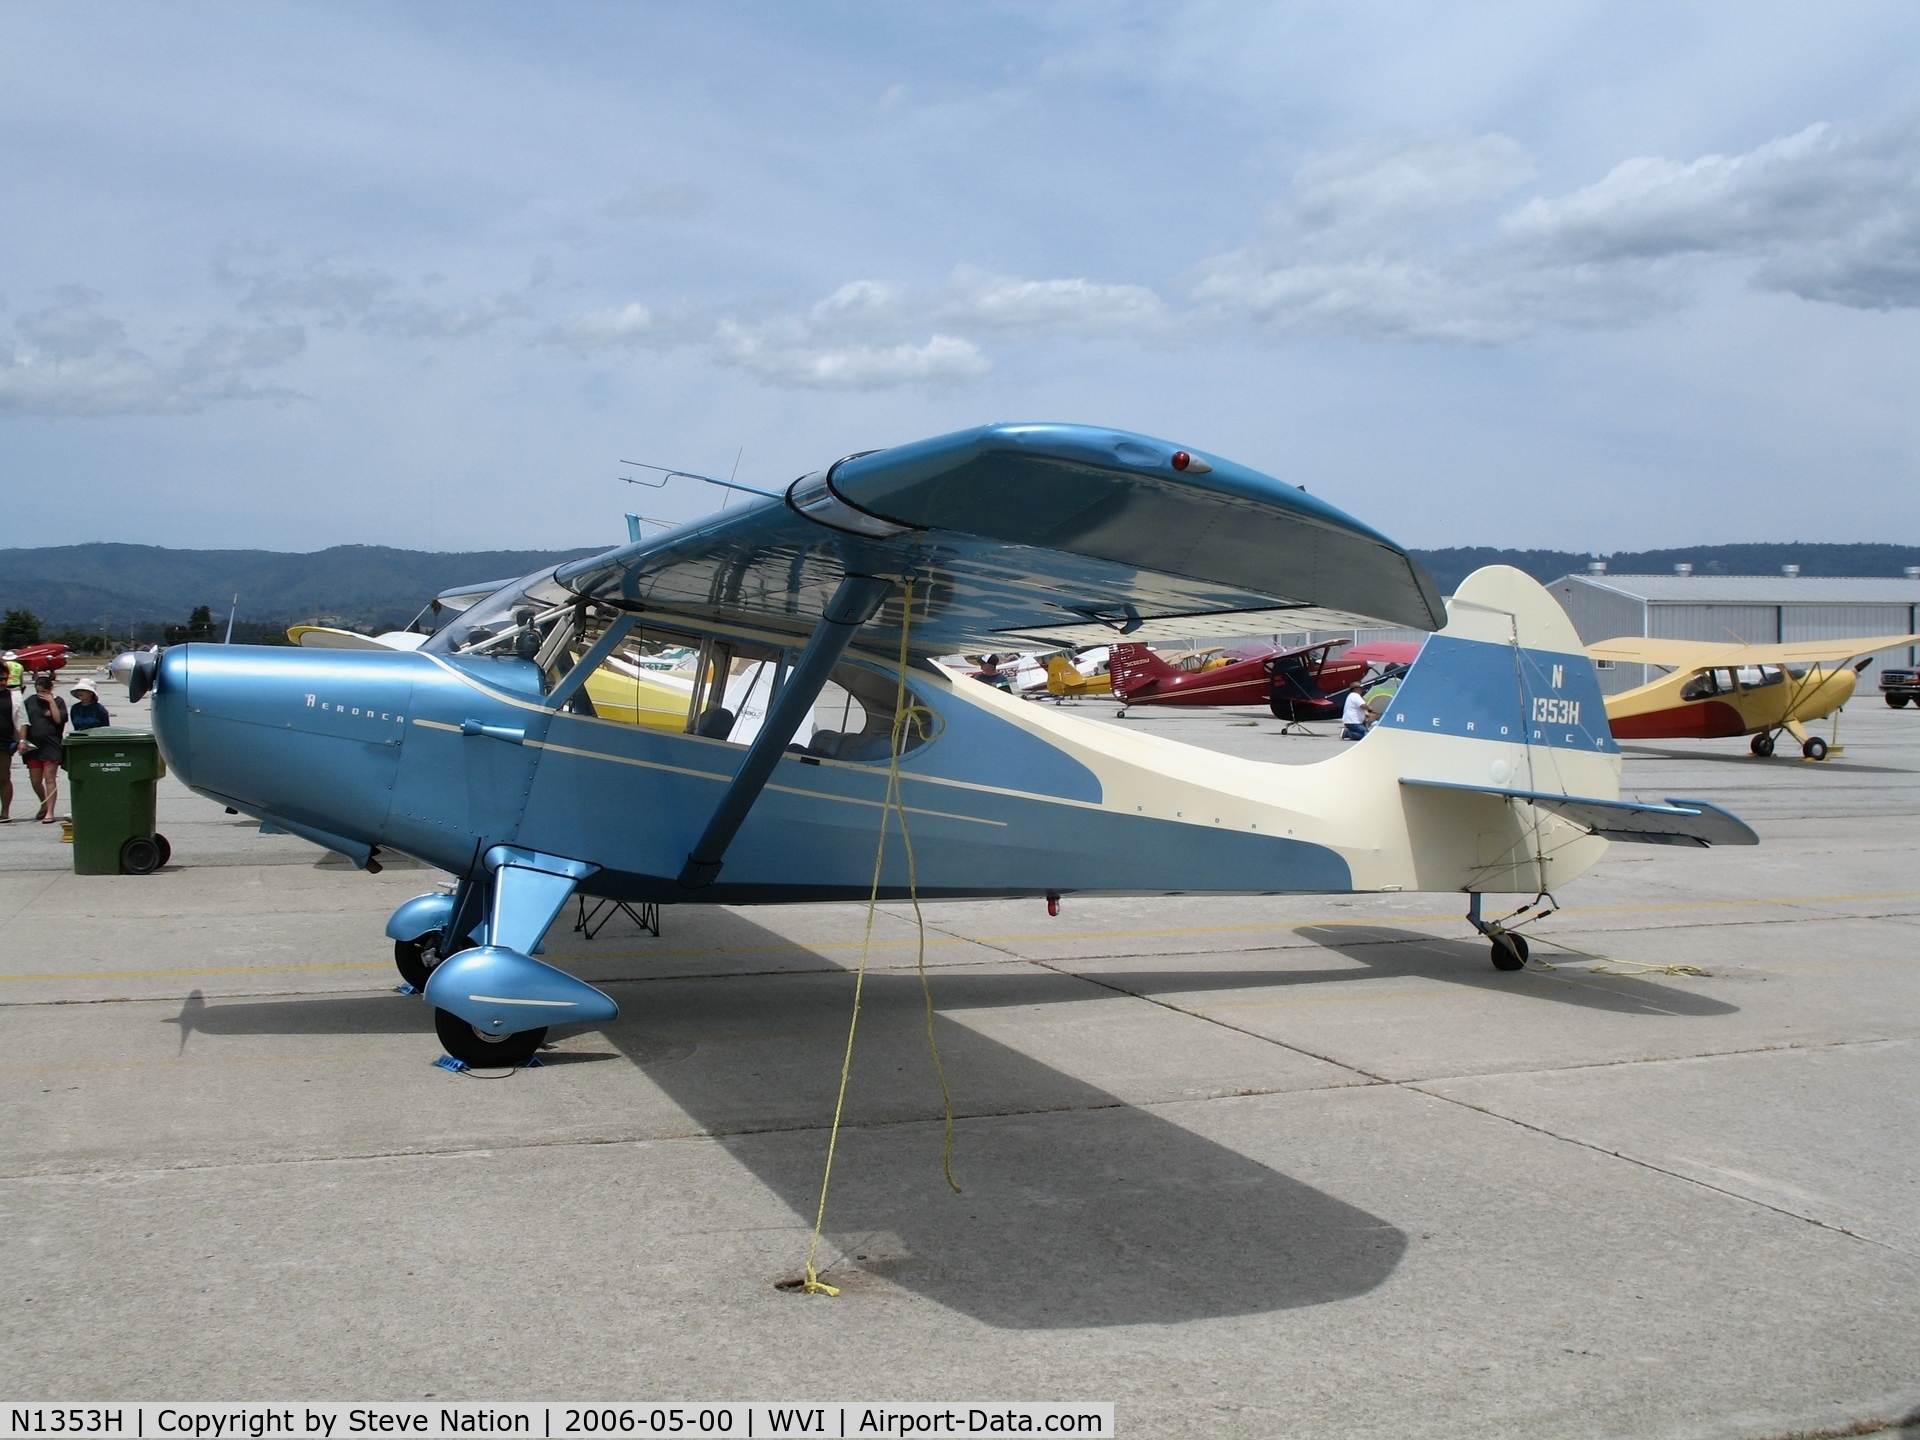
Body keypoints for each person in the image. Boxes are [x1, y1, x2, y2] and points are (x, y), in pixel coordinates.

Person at [20, 673, 68, 823]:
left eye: (44, 692)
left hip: (51, 745)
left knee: (49, 778)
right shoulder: (30, 702)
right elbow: (24, 722)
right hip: (33, 747)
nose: (41, 695)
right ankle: (44, 802)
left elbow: (58, 719)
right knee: (35, 780)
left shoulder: (58, 701)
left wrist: (51, 702)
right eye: (38, 691)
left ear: (50, 689)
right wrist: (22, 740)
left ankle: (50, 812)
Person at [0, 674, 18, 822]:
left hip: (4, 744)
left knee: (4, 778)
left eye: (5, 679)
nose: (3, 682)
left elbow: (21, 720)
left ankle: (5, 812)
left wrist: (22, 740)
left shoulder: (11, 696)